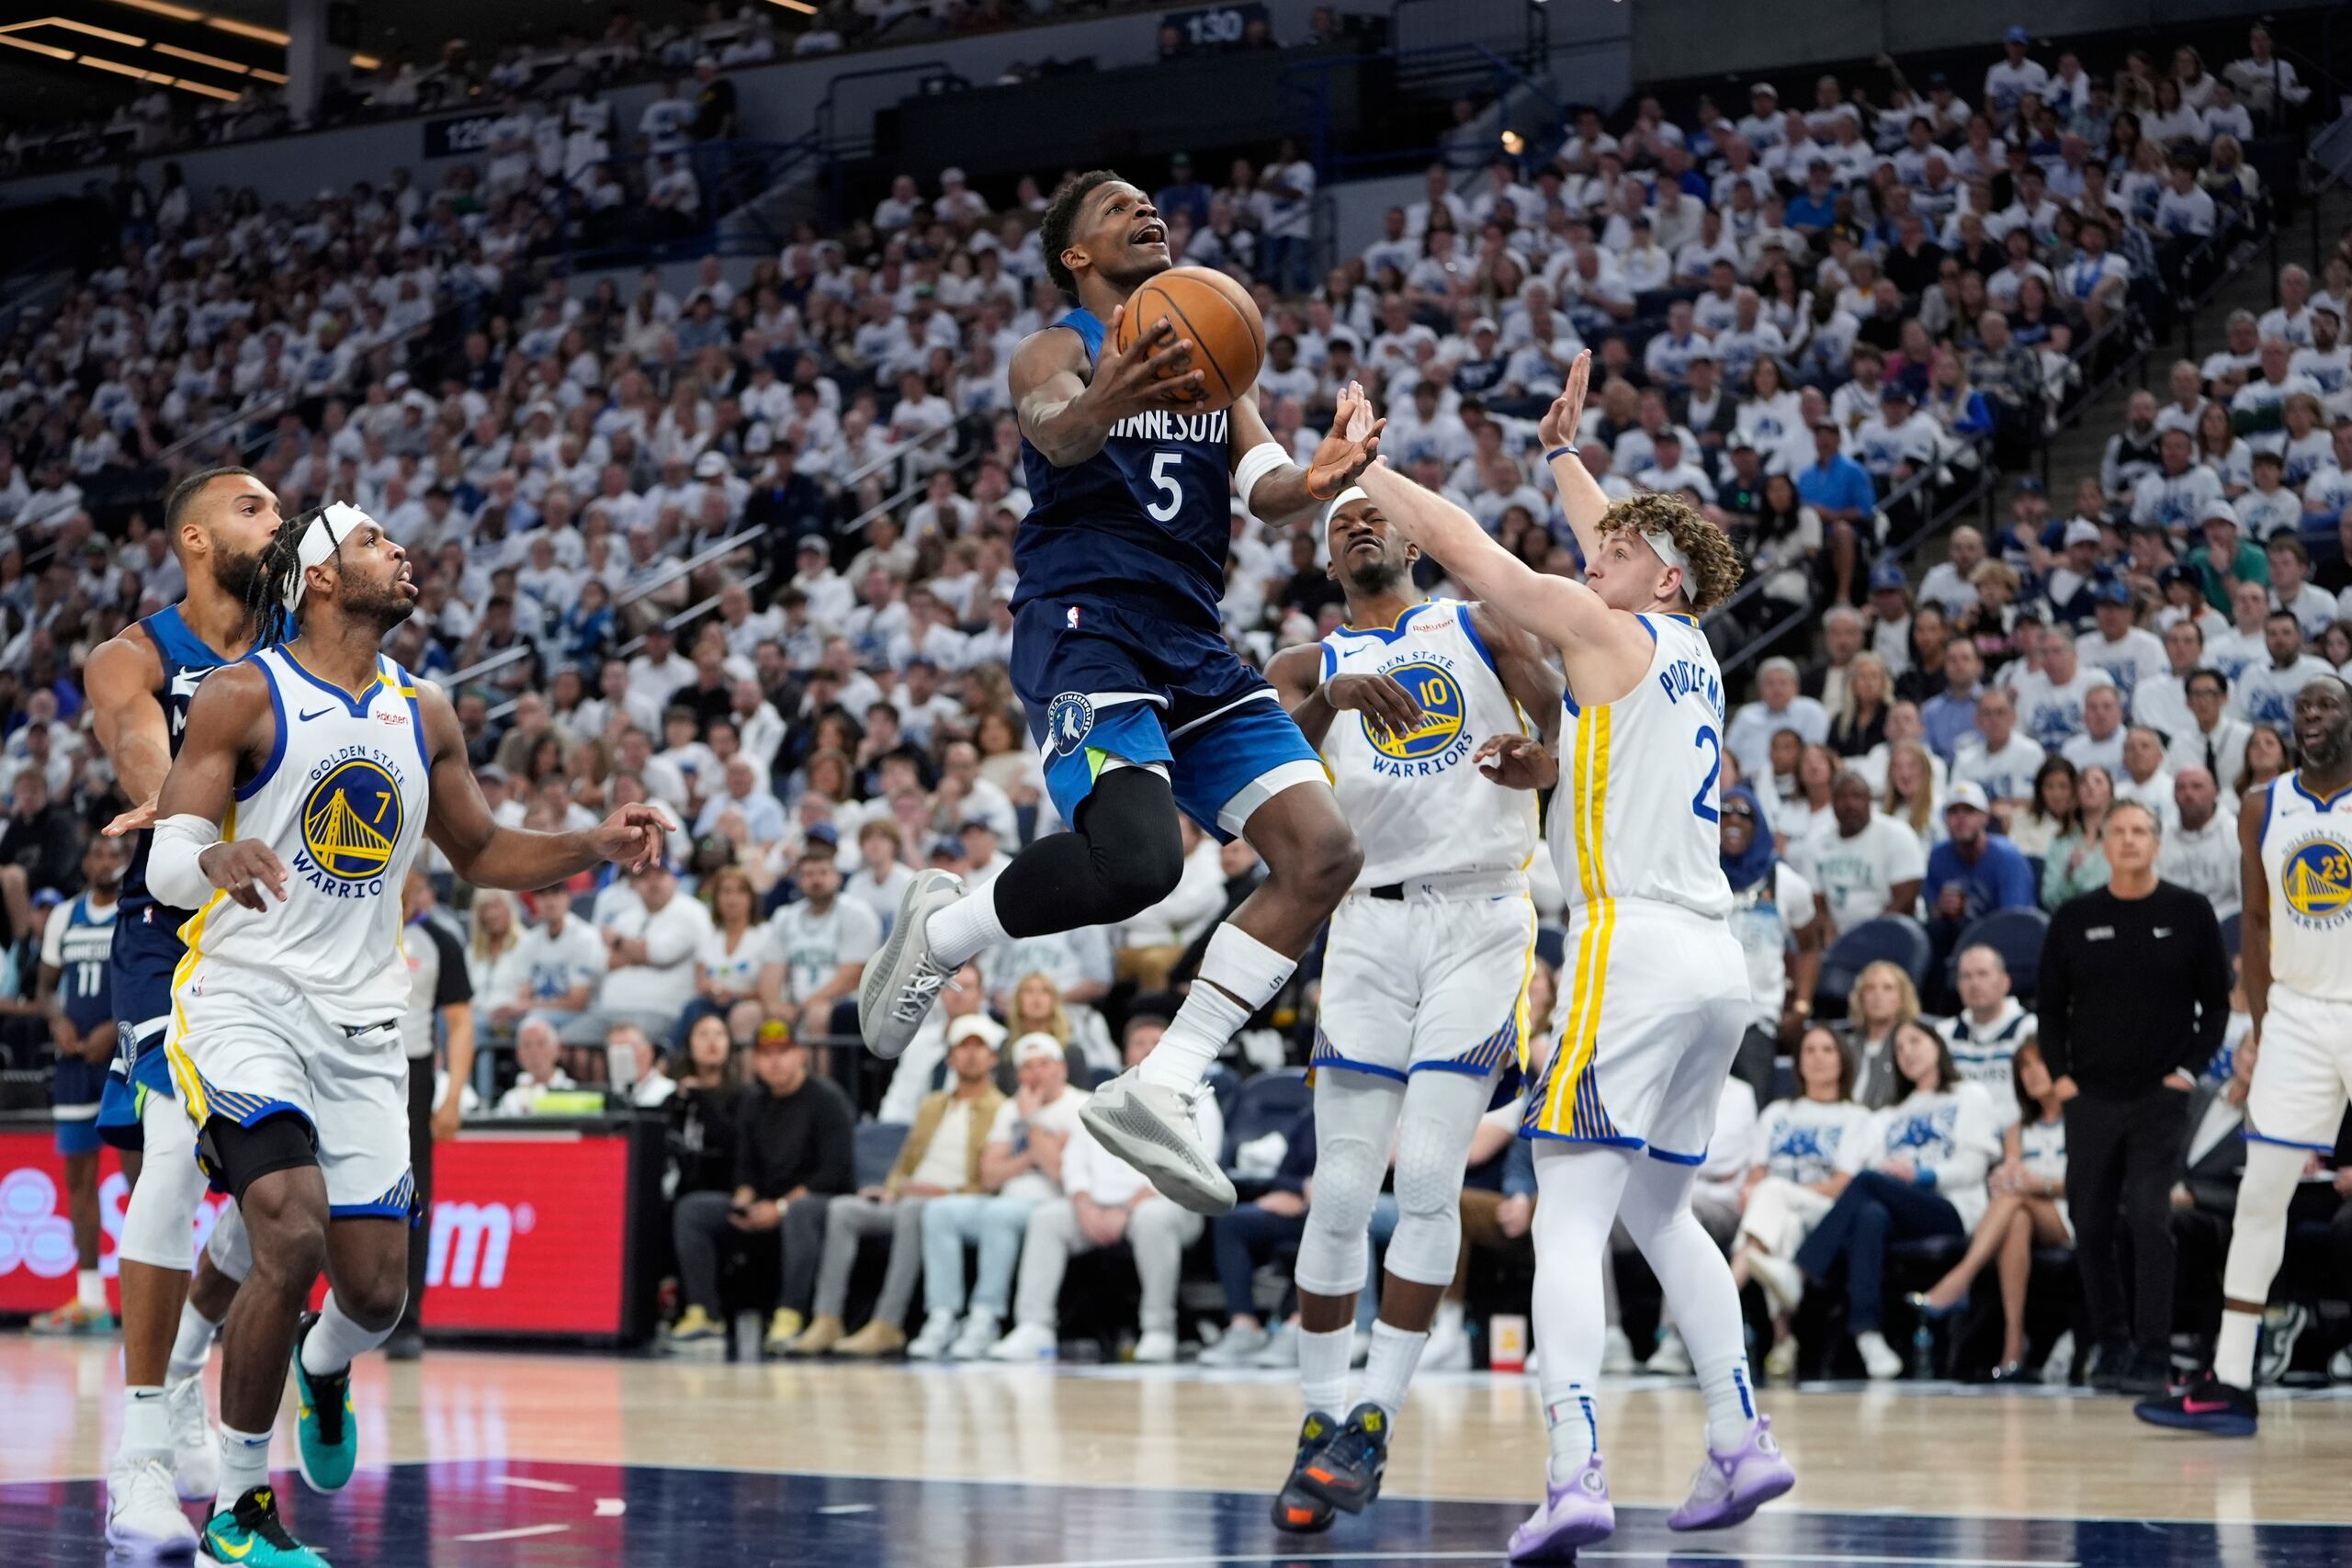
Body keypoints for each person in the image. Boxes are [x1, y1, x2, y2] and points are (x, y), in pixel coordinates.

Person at [146, 500, 670, 1565]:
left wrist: (591, 844)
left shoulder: (425, 712)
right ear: (324, 577)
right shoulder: (243, 694)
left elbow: (477, 853)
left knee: (377, 1295)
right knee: (290, 1229)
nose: (403, 551)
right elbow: (165, 855)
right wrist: (210, 860)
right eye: (376, 541)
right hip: (244, 997)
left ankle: (325, 1366)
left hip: (362, 1023)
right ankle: (241, 1516)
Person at [859, 171, 1383, 1220]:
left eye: (1153, 206)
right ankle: (948, 929)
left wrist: (1317, 478)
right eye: (1118, 211)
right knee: (1140, 863)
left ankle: (1163, 1081)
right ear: (1076, 258)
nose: (1147, 214)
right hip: (1085, 622)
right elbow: (1057, 434)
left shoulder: (1215, 363)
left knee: (1324, 852)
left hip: (1191, 635)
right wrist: (1116, 389)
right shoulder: (1055, 350)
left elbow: (1262, 487)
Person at [1349, 360, 1792, 1558]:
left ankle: (1573, 1465)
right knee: (1662, 1206)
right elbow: (1619, 537)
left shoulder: (1609, 622)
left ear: (1664, 575)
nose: (1593, 552)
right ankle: (1742, 1436)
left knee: (1568, 1215)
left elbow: (1474, 554)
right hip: (1715, 968)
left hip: (1627, 947)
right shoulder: (1691, 647)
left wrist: (1366, 472)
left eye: (1615, 547)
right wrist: (1562, 455)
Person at [1257, 468, 1560, 1531]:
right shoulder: (1311, 663)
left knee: (1428, 1171)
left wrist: (1548, 760)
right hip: (1369, 926)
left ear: (1413, 541)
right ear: (1326, 562)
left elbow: (1562, 718)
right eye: (1339, 523)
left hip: (1480, 918)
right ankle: (1318, 1419)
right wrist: (1326, 699)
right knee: (1341, 1190)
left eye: (1371, 512)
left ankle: (1374, 1419)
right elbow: (1251, 779)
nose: (1357, 525)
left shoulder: (1477, 625)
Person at [85, 466, 280, 1553]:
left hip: (285, 925)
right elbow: (138, 743)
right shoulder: (135, 654)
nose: (278, 521)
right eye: (254, 508)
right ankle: (141, 1459)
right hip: (174, 926)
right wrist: (176, 800)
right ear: (196, 541)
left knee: (277, 1205)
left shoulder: (304, 643)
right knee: (170, 1155)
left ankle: (195, 1368)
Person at [2140, 676, 2352, 1434]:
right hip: (2295, 1012)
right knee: (2262, 1195)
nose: (2312, 719)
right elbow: (2256, 924)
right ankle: (2231, 1380)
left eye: (2327, 706)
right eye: (2302, 711)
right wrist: (2264, 1026)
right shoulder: (2264, 806)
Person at [2039, 799, 2230, 1398]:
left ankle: (2153, 1353)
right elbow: (2048, 1008)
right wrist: (2062, 1077)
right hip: (2089, 1095)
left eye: (2139, 831)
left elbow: (2217, 1006)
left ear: (2157, 842)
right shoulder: (2073, 916)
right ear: (2103, 843)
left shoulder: (2190, 911)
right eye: (2117, 831)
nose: (2127, 840)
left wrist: (2187, 1070)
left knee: (2150, 1218)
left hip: (2158, 1096)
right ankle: (2112, 1343)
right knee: (2091, 1223)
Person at [988, 1020, 1225, 1363]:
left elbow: (1198, 1167)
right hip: (1097, 1207)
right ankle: (1034, 1327)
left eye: (1157, 1041)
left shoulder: (1197, 1098)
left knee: (1152, 1220)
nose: (1148, 1048)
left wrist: (1127, 1208)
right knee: (1048, 1219)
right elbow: (1076, 1159)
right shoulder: (1107, 1096)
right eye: (1139, 1042)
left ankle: (1158, 1329)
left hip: (1167, 1204)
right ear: (1126, 1052)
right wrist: (1083, 1204)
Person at [783, 1020, 1005, 1358]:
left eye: (979, 1048)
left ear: (993, 1059)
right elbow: (906, 1161)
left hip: (953, 1203)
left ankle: (887, 1323)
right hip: (908, 1197)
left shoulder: (1001, 1109)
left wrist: (939, 1194)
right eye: (963, 1047)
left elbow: (988, 1179)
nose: (971, 1056)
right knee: (843, 1210)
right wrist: (890, 1189)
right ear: (949, 1059)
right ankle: (827, 1318)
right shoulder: (933, 1104)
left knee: (914, 1213)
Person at [1794, 1020, 1999, 1379]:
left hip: (1951, 1207)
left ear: (1937, 1045)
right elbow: (1871, 1166)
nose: (1907, 1052)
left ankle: (1800, 1270)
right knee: (1870, 1214)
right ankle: (1868, 1335)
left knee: (1869, 1184)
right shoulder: (1889, 1115)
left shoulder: (1970, 1095)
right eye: (1899, 1049)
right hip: (1895, 1210)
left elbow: (1972, 1167)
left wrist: (1920, 1175)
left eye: (1915, 1042)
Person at [667, 1021, 857, 1350]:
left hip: (818, 1204)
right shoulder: (754, 1103)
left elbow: (835, 1173)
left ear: (800, 1055)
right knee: (693, 1209)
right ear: (754, 1062)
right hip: (766, 1202)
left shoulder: (828, 1100)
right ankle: (704, 1312)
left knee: (799, 1211)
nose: (775, 1062)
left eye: (783, 1052)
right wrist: (744, 1197)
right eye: (765, 1054)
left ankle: (791, 1314)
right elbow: (745, 1165)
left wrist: (780, 1207)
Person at [909, 1023, 1083, 1360]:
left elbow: (1062, 1173)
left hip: (1051, 1206)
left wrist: (1031, 1125)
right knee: (939, 1212)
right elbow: (989, 1176)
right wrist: (1036, 1152)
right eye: (1028, 1067)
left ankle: (985, 1317)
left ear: (1061, 1068)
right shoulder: (1010, 1108)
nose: (1037, 1074)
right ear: (1018, 1074)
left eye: (1044, 1065)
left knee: (997, 1215)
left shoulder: (1079, 1107)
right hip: (1006, 1200)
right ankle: (942, 1316)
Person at [1907, 1038, 2073, 1380]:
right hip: (2025, 1214)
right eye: (2023, 1068)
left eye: (2038, 1063)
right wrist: (2008, 1181)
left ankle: (1961, 1278)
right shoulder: (2016, 1130)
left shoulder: (2084, 1120)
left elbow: (2092, 1183)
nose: (2031, 1074)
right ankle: (2013, 1342)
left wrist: (2039, 1184)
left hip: (2073, 1213)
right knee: (2017, 1216)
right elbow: (2010, 1179)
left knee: (2015, 1201)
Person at [1732, 1026, 1870, 1381]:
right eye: (1809, 1050)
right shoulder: (1778, 1112)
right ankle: (1783, 1340)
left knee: (1773, 1195)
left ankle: (1723, 1296)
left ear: (1843, 1060)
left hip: (1826, 1211)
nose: (1818, 1057)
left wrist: (1769, 1191)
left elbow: (1843, 1183)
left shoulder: (1857, 1117)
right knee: (1782, 1221)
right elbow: (1756, 1171)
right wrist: (1751, 1189)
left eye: (1827, 1049)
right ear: (1798, 1063)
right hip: (1777, 1211)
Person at [31, 837, 128, 1337]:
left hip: (125, 1057)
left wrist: (115, 1026)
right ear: (86, 862)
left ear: (128, 861)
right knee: (80, 1184)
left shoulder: (135, 911)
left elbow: (154, 978)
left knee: (142, 1181)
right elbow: (47, 988)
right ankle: (91, 1300)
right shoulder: (66, 917)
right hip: (75, 1062)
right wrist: (58, 1023)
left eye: (116, 855)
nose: (106, 862)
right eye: (98, 854)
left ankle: (145, 1300)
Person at [389, 869, 474, 1360]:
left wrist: (453, 1097)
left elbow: (460, 1024)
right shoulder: (351, 924)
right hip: (345, 1064)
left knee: (415, 1194)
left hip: (413, 1071)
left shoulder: (439, 939)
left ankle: (408, 1318)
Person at [1721, 784, 1825, 1107]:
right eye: (1725, 813)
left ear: (1759, 825)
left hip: (1757, 1020)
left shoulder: (1786, 883)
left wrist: (1802, 1006)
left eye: (1745, 815)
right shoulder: (1700, 874)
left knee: (1752, 1112)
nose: (1733, 821)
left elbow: (1809, 947)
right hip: (1702, 1016)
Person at [1793, 769, 1926, 935]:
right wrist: (1826, 927)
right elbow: (1815, 902)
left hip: (1894, 933)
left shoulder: (1897, 834)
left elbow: (1906, 901)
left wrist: (1865, 938)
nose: (1849, 804)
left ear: (1869, 800)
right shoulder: (1816, 841)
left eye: (1857, 796)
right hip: (1839, 939)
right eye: (1841, 797)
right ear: (1832, 803)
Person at [1938, 944, 2038, 1122]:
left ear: (2005, 982)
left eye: (1983, 974)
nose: (1974, 984)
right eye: (1966, 976)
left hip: (2016, 1134)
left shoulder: (2030, 1029)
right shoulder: (1942, 1034)